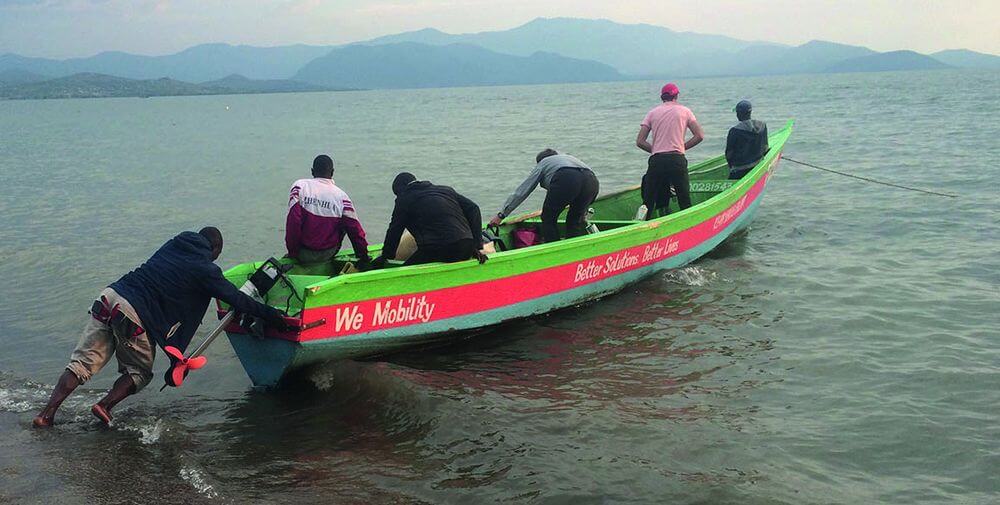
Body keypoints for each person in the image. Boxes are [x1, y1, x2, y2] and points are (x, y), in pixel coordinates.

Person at [33, 228, 288, 427]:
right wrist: (272, 316)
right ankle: (105, 406)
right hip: (134, 312)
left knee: (80, 365)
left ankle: (46, 415)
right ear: (215, 249)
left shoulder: (175, 243)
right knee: (140, 373)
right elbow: (238, 300)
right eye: (217, 255)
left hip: (110, 296)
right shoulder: (206, 270)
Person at [373, 173, 488, 267]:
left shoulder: (404, 199)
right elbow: (473, 209)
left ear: (401, 189)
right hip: (466, 245)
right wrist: (477, 245)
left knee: (405, 272)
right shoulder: (445, 190)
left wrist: (386, 256)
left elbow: (395, 230)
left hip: (438, 249)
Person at [488, 149, 600, 243]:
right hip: (592, 181)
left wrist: (501, 215)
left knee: (548, 218)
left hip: (566, 178)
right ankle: (574, 248)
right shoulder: (568, 158)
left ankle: (554, 248)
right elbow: (583, 183)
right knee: (575, 220)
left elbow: (523, 191)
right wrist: (584, 208)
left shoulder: (543, 163)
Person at [285, 155, 370, 267]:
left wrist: (293, 252)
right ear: (332, 172)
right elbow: (355, 230)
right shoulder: (342, 197)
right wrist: (363, 256)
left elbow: (293, 223)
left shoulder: (299, 186)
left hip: (302, 253)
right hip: (327, 253)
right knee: (346, 221)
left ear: (312, 171)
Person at [635, 82, 705, 220]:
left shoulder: (652, 112)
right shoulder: (685, 111)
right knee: (684, 199)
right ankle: (688, 228)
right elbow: (699, 135)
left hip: (657, 160)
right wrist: (682, 147)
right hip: (677, 159)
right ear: (676, 96)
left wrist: (656, 150)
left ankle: (641, 227)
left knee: (648, 201)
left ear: (662, 97)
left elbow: (640, 141)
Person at [725, 100, 769, 179]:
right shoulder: (762, 125)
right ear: (750, 112)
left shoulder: (734, 131)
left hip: (739, 170)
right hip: (757, 164)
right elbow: (765, 147)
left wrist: (731, 166)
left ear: (738, 114)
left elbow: (729, 153)